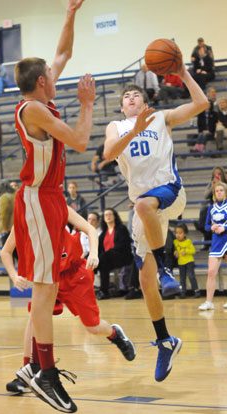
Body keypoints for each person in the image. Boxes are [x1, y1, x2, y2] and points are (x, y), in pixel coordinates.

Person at [13, 1, 95, 412]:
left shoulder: (40, 96)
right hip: (39, 200)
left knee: (47, 289)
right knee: (44, 291)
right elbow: (80, 140)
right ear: (42, 82)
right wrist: (86, 104)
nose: (56, 72)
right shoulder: (36, 110)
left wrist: (70, 13)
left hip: (50, 200)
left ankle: (36, 368)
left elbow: (62, 53)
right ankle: (42, 372)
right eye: (51, 74)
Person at [104, 60, 208, 382]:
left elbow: (202, 104)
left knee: (145, 206)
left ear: (146, 103)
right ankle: (166, 340)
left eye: (136, 95)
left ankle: (166, 267)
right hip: (143, 208)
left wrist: (183, 72)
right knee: (146, 282)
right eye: (127, 97)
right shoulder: (117, 127)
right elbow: (108, 153)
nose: (132, 99)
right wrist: (132, 132)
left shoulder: (161, 119)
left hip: (169, 193)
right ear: (122, 107)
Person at [4, 207, 136, 394]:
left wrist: (94, 254)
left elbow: (90, 229)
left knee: (93, 326)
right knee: (35, 317)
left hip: (75, 275)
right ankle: (27, 373)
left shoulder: (58, 207)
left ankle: (115, 334)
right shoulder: (23, 220)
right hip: (48, 277)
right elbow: (6, 252)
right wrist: (14, 275)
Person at [198, 182, 227, 311]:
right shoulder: (211, 208)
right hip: (216, 242)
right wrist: (212, 227)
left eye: (221, 190)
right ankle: (209, 302)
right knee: (211, 272)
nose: (219, 192)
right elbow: (205, 226)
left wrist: (224, 227)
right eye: (217, 191)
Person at [96, 208, 134, 300]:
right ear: (103, 218)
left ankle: (103, 290)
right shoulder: (103, 234)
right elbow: (99, 249)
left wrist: (105, 254)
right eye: (106, 215)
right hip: (107, 260)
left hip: (122, 257)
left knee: (102, 259)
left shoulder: (121, 229)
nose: (108, 216)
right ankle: (104, 291)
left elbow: (122, 246)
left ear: (115, 216)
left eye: (110, 214)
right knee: (99, 263)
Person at [194, 167, 227, 250]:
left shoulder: (225, 184)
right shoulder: (211, 184)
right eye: (215, 174)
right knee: (203, 211)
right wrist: (213, 187)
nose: (217, 176)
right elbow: (205, 196)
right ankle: (207, 237)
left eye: (219, 174)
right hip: (213, 207)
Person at [174, 223, 200, 299]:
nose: (178, 235)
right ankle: (183, 292)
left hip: (189, 262)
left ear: (185, 234)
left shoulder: (188, 241)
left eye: (180, 233)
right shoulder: (175, 242)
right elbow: (175, 250)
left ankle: (196, 291)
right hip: (181, 262)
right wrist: (176, 253)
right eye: (176, 233)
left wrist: (186, 251)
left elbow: (193, 250)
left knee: (191, 276)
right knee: (182, 278)